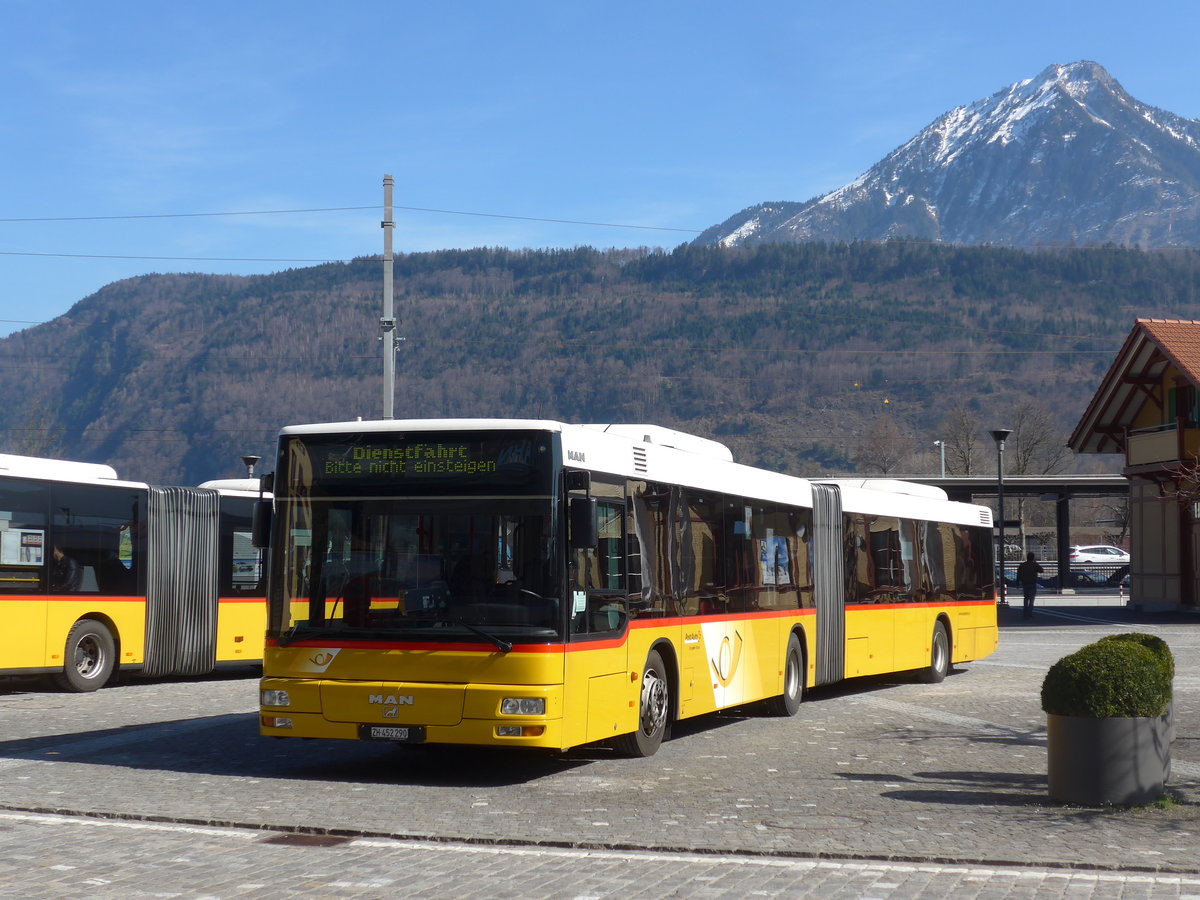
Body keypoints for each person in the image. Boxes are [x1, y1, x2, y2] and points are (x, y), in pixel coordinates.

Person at [1015, 552, 1043, 619]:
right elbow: (1041, 570)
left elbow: (1018, 575)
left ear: (1027, 557)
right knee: (1031, 599)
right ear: (1033, 558)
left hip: (1025, 583)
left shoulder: (1022, 565)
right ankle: (1030, 613)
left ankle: (1025, 613)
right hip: (1032, 583)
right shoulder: (1034, 565)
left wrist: (1017, 583)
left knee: (1026, 598)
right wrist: (1036, 563)